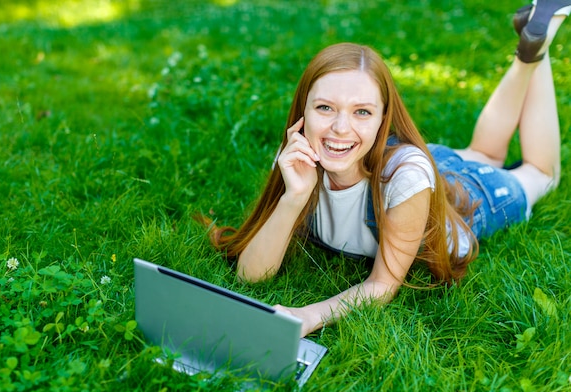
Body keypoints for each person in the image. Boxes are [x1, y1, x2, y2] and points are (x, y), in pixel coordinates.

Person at [202, 0, 569, 338]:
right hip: (408, 164)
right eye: (325, 108)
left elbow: (381, 285)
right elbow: (251, 277)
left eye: (361, 112)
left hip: (459, 198)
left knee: (542, 173)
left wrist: (310, 315)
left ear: (382, 121)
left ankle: (539, 44)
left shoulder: (406, 178)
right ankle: (528, 49)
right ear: (303, 112)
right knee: (482, 151)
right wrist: (293, 198)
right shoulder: (298, 157)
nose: (340, 129)